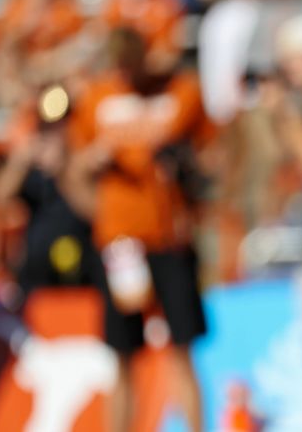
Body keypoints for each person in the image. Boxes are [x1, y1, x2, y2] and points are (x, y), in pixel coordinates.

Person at [68, 27, 213, 432]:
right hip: (120, 242)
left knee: (180, 349)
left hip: (169, 236)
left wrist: (192, 186)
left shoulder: (179, 92)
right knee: (123, 353)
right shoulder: (97, 97)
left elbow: (210, 152)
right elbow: (74, 168)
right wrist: (95, 170)